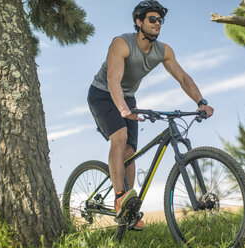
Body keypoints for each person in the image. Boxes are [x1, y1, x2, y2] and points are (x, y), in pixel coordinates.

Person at [87, 0, 214, 230]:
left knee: (130, 152)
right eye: (152, 20)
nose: (158, 24)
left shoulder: (163, 51)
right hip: (102, 94)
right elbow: (112, 80)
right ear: (139, 22)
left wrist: (201, 102)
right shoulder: (121, 43)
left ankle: (129, 208)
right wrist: (123, 109)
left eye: (160, 20)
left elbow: (184, 78)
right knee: (120, 136)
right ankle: (118, 198)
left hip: (127, 97)